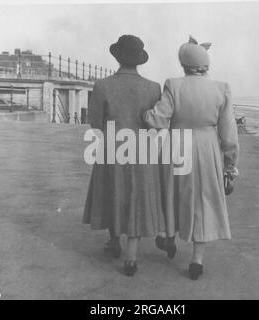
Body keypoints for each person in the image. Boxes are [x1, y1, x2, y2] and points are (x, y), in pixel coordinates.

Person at [143, 36, 239, 280]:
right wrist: (230, 167)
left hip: (177, 145)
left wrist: (145, 114)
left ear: (183, 63)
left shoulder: (173, 85)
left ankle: (169, 238)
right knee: (203, 201)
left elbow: (158, 119)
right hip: (207, 148)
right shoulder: (222, 88)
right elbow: (229, 135)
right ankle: (197, 260)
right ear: (206, 64)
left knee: (174, 193)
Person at [83, 35, 165, 276]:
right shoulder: (153, 88)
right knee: (137, 197)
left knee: (113, 192)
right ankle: (131, 255)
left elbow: (95, 123)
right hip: (141, 149)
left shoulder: (102, 86)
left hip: (112, 146)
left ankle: (114, 241)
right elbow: (156, 124)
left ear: (117, 57)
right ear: (139, 60)